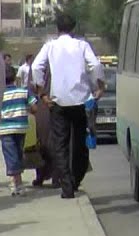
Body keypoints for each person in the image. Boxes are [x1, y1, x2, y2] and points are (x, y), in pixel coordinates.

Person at [30, 13, 105, 199]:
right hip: (81, 101)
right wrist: (100, 86)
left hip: (58, 101)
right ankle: (76, 179)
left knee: (60, 144)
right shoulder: (82, 45)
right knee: (80, 143)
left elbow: (35, 67)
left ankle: (66, 186)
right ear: (73, 28)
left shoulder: (50, 46)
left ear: (57, 28)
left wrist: (42, 93)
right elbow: (95, 66)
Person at [2, 65, 38, 196]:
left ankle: (14, 183)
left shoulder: (1, 94)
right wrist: (25, 110)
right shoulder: (24, 91)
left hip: (5, 129)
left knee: (10, 155)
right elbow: (35, 108)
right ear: (15, 78)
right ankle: (19, 182)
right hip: (21, 128)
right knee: (18, 153)